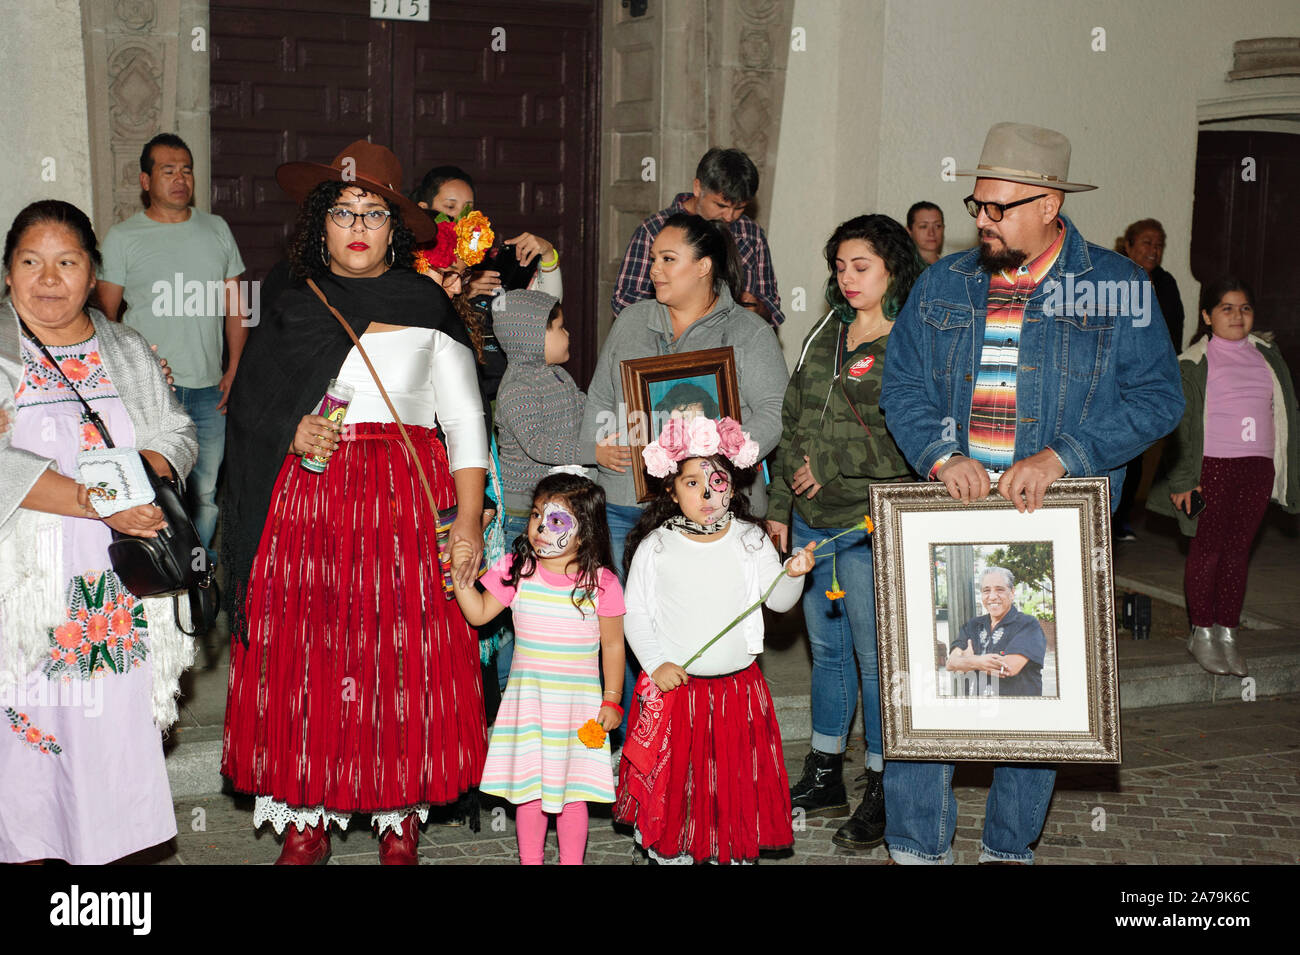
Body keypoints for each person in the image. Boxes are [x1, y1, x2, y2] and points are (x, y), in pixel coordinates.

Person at [879, 122, 1184, 864]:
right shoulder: (944, 283)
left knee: (1037, 698)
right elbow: (904, 385)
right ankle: (918, 849)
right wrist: (941, 453)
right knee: (927, 687)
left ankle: (1009, 850)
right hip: (947, 517)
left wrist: (1064, 456)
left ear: (1049, 204)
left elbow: (1157, 398)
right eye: (976, 204)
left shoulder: (1116, 286)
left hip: (1057, 521)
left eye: (998, 207)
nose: (980, 220)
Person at [220, 141, 490, 865]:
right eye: (343, 211)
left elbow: (464, 418)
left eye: (373, 212)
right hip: (308, 499)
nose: (358, 225)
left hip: (406, 497)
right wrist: (290, 427)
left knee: (402, 657)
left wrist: (467, 520)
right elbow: (249, 408)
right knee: (307, 654)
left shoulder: (425, 300)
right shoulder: (288, 296)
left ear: (395, 226)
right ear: (322, 224)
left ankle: (399, 819)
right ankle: (307, 814)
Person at [0, 199, 197, 864]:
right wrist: (97, 499)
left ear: (92, 275)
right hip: (25, 588)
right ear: (7, 274)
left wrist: (140, 481)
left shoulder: (127, 348)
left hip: (116, 581)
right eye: (31, 261)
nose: (49, 278)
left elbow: (175, 430)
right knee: (28, 740)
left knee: (109, 733)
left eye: (67, 262)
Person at [581, 213, 788, 735]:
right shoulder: (634, 321)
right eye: (653, 259)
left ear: (704, 267)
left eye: (667, 260)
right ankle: (641, 750)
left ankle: (701, 747)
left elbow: (773, 413)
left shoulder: (748, 331)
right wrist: (598, 446)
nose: (653, 269)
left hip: (712, 515)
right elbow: (603, 398)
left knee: (698, 631)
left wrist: (718, 449)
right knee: (631, 628)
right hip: (629, 500)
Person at [765, 214, 921, 850]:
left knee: (873, 655)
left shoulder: (909, 341)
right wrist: (778, 505)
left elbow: (913, 443)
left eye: (862, 267)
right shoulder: (827, 330)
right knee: (826, 652)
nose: (848, 279)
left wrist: (830, 463)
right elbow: (794, 414)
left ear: (892, 268)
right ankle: (826, 767)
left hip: (865, 524)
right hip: (809, 523)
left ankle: (884, 782)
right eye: (840, 267)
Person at [615, 416, 815, 863]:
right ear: (671, 489)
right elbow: (637, 615)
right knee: (680, 786)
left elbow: (778, 602)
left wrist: (793, 575)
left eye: (716, 480)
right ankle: (675, 851)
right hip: (677, 693)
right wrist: (654, 664)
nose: (706, 494)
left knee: (730, 783)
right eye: (691, 482)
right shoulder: (657, 546)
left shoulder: (750, 539)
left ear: (732, 485)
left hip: (737, 692)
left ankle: (729, 850)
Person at [449, 473, 624, 865]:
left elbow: (613, 645)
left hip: (578, 710)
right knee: (527, 792)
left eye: (556, 521)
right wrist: (458, 574)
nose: (541, 528)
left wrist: (612, 698)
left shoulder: (602, 584)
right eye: (535, 515)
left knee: (571, 795)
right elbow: (478, 614)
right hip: (528, 708)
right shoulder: (517, 570)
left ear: (587, 529)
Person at [96, 133, 247, 569]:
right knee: (152, 486)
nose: (180, 178)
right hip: (151, 392)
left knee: (203, 492)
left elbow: (237, 306)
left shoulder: (216, 228)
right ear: (146, 180)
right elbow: (105, 319)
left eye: (186, 169)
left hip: (208, 389)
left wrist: (234, 367)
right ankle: (154, 568)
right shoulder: (124, 237)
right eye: (168, 170)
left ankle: (194, 575)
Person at [1147, 276, 1299, 678]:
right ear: (1207, 316)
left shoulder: (1268, 355)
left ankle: (1228, 631)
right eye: (1226, 308)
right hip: (1213, 466)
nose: (1237, 315)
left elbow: (1287, 413)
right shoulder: (1194, 362)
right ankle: (1201, 631)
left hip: (1257, 467)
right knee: (1208, 550)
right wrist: (1182, 479)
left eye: (1245, 308)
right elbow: (1178, 425)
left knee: (1237, 552)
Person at [611, 148, 784, 326]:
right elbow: (624, 301)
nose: (730, 216)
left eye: (739, 208)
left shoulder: (751, 234)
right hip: (668, 349)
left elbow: (773, 306)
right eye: (721, 205)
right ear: (698, 188)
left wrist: (758, 309)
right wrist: (684, 311)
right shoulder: (655, 230)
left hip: (734, 347)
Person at [1113, 217, 1187, 540]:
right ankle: (1105, 518)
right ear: (1127, 245)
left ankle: (1123, 518)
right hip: (1112, 381)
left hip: (1145, 383)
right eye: (1146, 242)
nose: (1154, 250)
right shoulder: (1110, 278)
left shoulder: (1166, 284)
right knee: (1112, 450)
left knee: (1135, 451)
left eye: (1159, 245)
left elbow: (1173, 334)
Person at [945, 568, 1047, 697]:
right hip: (976, 709)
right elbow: (950, 664)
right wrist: (979, 662)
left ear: (1012, 592)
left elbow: (1007, 668)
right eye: (986, 590)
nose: (992, 597)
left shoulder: (1028, 625)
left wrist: (967, 661)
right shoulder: (973, 625)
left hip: (1017, 710)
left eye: (1000, 589)